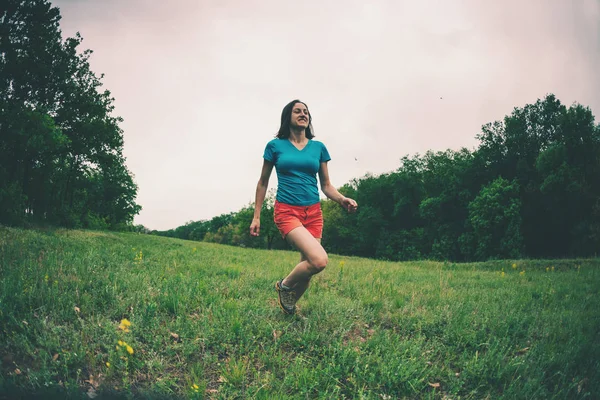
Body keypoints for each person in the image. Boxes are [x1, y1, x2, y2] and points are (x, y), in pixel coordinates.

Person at [249, 99, 358, 314]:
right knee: (318, 261)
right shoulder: (275, 146)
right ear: (287, 116)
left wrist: (342, 198)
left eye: (306, 112)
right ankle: (284, 286)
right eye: (297, 111)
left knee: (307, 269)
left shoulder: (318, 148)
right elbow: (263, 182)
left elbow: (326, 185)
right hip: (287, 211)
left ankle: (288, 308)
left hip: (313, 213)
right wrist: (256, 216)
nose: (303, 114)